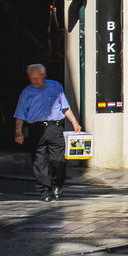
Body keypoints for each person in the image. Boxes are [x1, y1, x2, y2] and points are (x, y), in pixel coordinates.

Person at [12, 63, 81, 201]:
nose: (36, 80)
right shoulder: (27, 92)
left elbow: (65, 107)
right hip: (36, 128)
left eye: (38, 77)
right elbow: (20, 114)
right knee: (39, 161)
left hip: (54, 127)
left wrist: (74, 122)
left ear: (44, 75)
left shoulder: (55, 86)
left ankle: (57, 184)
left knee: (59, 160)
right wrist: (18, 131)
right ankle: (45, 191)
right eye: (32, 77)